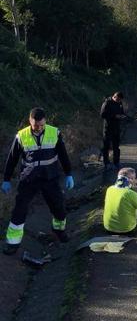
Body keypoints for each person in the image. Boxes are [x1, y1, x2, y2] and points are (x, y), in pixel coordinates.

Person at [1, 107, 74, 255]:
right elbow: (12, 159)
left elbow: (63, 155)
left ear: (45, 121)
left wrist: (69, 174)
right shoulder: (21, 136)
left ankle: (59, 231)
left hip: (50, 178)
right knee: (19, 210)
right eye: (36, 126)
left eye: (41, 125)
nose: (39, 128)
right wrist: (6, 179)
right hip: (29, 179)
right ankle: (13, 243)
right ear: (30, 121)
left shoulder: (54, 133)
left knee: (59, 207)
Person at [100, 91, 126, 170]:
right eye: (118, 100)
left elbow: (122, 112)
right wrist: (114, 116)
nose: (119, 101)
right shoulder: (107, 103)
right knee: (106, 146)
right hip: (108, 128)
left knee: (116, 147)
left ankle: (116, 162)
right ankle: (106, 163)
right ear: (114, 97)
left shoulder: (120, 103)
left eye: (120, 100)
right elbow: (102, 114)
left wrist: (122, 116)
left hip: (117, 128)